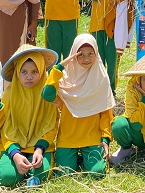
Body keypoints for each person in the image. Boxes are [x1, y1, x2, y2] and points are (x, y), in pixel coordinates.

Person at [41, 34, 115, 176]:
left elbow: (106, 113)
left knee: (97, 173)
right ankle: (76, 158)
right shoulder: (65, 78)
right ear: (74, 54)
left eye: (90, 54)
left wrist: (105, 139)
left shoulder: (101, 78)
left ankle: (85, 158)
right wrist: (59, 68)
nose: (86, 59)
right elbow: (47, 95)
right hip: (68, 137)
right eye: (81, 55)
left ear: (96, 53)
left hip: (91, 136)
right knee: (64, 173)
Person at [0, 45, 59, 187]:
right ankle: (18, 164)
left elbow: (52, 125)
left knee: (40, 175)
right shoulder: (9, 95)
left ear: (43, 71)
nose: (29, 77)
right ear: (17, 73)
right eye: (24, 72)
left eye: (34, 71)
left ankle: (32, 165)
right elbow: (6, 128)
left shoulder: (48, 95)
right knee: (7, 178)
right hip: (12, 145)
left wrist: (39, 149)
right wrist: (16, 155)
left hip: (41, 146)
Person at [87, 0, 128, 91]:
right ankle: (97, 89)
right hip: (97, 26)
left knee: (112, 60)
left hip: (113, 27)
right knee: (98, 60)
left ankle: (111, 90)